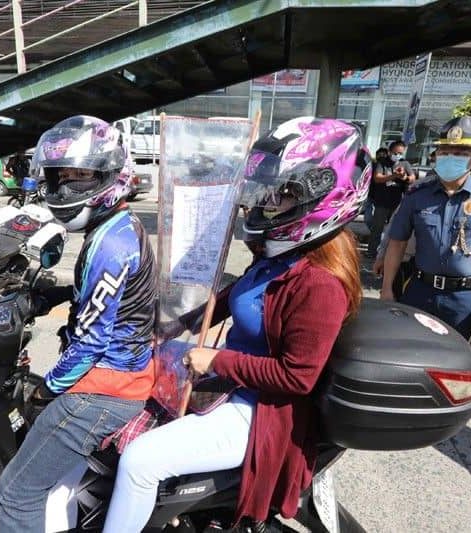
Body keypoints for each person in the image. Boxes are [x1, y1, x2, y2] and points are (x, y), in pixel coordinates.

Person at [102, 117, 371, 532]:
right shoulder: (280, 257)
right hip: (234, 384)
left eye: (284, 194)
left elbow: (297, 377)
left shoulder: (320, 284)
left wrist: (215, 361)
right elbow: (237, 296)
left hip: (260, 410)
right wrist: (175, 322)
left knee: (141, 462)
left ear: (325, 195)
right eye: (268, 191)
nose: (267, 203)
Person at [0, 115, 157, 532]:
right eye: (58, 177)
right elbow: (108, 302)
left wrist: (44, 390)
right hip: (124, 376)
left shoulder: (110, 243)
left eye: (78, 177)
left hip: (105, 388)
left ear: (108, 175)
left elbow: (88, 344)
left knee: (15, 493)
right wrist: (61, 294)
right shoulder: (119, 226)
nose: (64, 190)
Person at [380, 115, 471, 339]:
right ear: (436, 155)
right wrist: (387, 288)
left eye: (460, 153)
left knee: (457, 357)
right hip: (421, 292)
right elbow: (397, 242)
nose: (451, 157)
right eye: (445, 152)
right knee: (411, 349)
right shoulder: (417, 195)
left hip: (465, 299)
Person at [366, 140, 415, 258]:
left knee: (394, 231)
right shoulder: (382, 163)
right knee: (377, 229)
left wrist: (404, 177)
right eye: (395, 153)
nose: (397, 155)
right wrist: (394, 176)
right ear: (390, 152)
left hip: (397, 203)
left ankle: (389, 254)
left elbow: (412, 178)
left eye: (400, 153)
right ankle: (372, 252)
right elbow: (377, 178)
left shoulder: (404, 163)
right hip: (382, 202)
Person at [364, 147, 388, 232]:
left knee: (380, 219)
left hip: (382, 197)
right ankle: (373, 231)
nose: (381, 156)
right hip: (370, 195)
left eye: (383, 155)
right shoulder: (371, 166)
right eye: (379, 155)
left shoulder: (388, 167)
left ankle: (377, 233)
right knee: (367, 218)